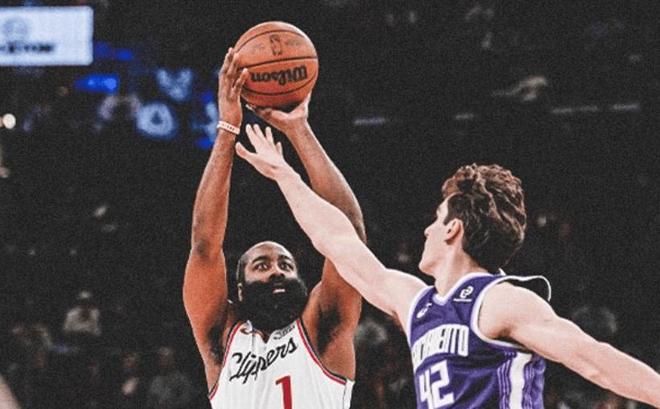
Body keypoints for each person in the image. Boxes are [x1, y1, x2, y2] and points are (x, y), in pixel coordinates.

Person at [235, 124, 660, 408]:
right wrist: (284, 173)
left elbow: (593, 358)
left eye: (436, 219)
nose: (426, 230)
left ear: (453, 229)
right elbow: (338, 241)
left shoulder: (501, 302)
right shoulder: (417, 303)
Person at [183, 48, 366, 409]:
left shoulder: (321, 327)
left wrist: (299, 129)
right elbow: (204, 246)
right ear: (239, 289)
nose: (277, 271)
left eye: (285, 264)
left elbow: (350, 237)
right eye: (262, 266)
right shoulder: (222, 338)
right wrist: (227, 130)